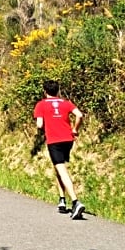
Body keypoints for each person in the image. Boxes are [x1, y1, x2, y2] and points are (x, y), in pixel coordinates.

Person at [33, 80, 86, 219]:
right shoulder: (66, 103)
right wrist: (75, 129)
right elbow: (79, 115)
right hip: (68, 139)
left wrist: (47, 126)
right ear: (57, 91)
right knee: (58, 167)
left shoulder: (41, 104)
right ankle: (62, 199)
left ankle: (75, 201)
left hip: (54, 140)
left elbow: (39, 125)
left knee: (62, 170)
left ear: (45, 91)